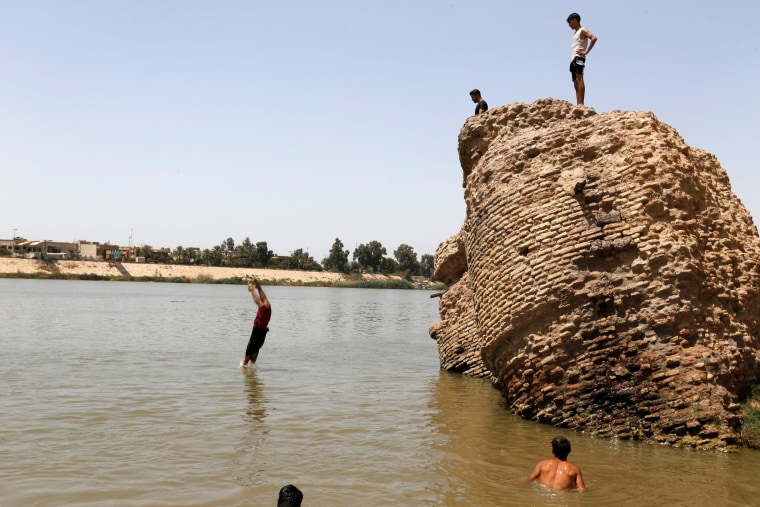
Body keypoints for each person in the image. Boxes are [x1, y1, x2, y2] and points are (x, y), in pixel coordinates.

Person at [567, 12, 598, 106]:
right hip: (573, 58)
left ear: (575, 20)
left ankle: (581, 104)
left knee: (579, 77)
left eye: (570, 22)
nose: (569, 25)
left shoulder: (583, 30)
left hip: (579, 57)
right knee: (575, 81)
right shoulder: (575, 33)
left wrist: (586, 52)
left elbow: (594, 38)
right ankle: (578, 104)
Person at [242, 276, 271, 367]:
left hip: (260, 328)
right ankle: (254, 289)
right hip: (260, 328)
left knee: (264, 304)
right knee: (265, 304)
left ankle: (254, 289)